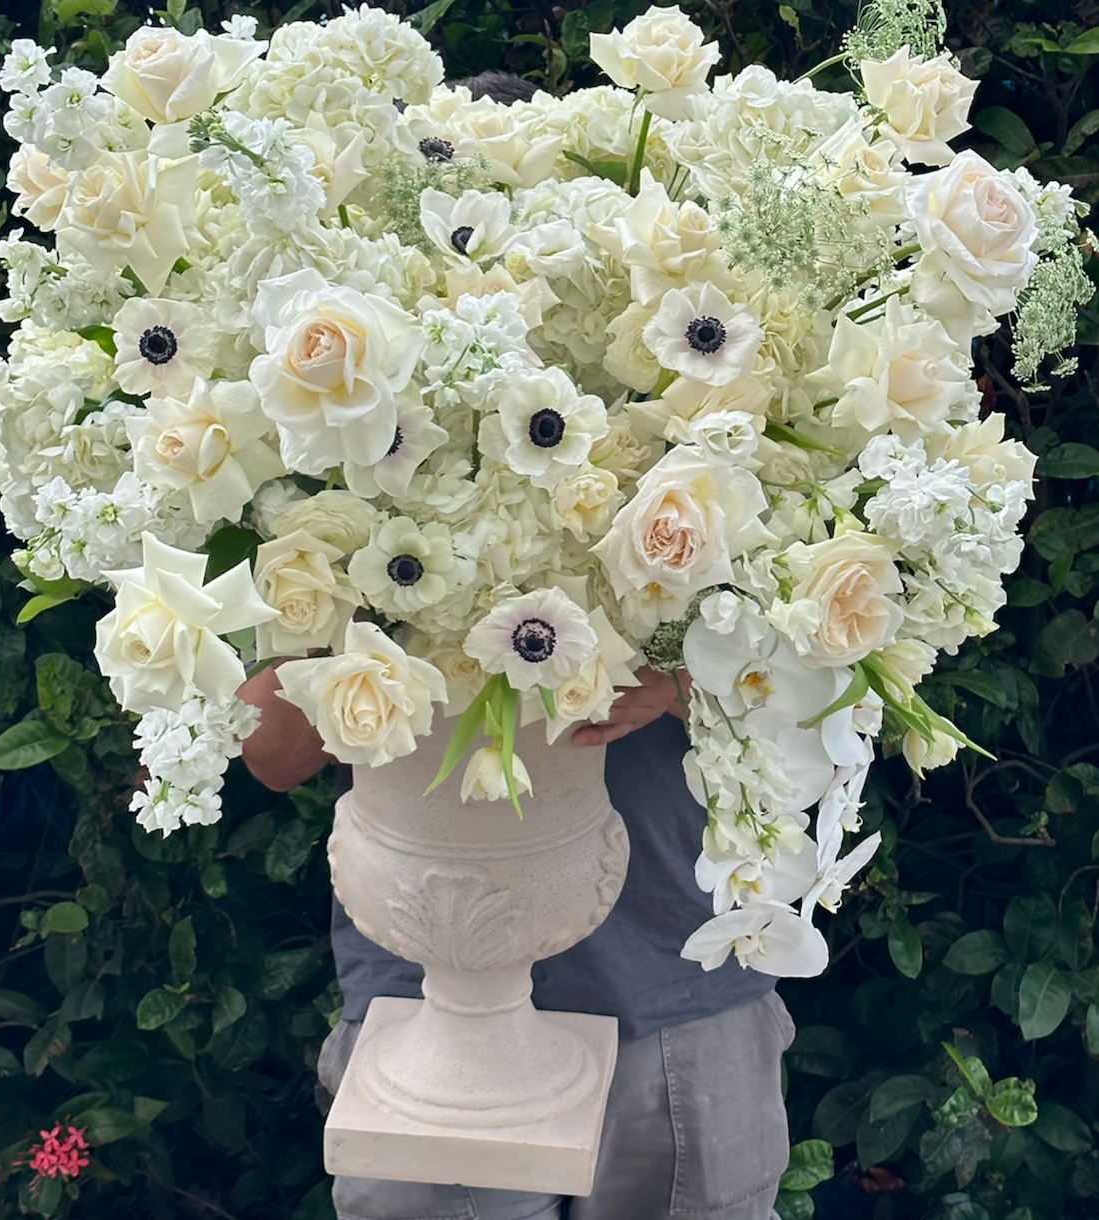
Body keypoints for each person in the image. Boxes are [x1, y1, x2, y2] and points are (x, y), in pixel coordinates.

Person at [238, 68, 793, 1220]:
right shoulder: (324, 471)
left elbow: (816, 691)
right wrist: (366, 640)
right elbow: (274, 754)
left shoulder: (699, 433)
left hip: (678, 992)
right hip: (427, 1009)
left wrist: (674, 672)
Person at [239, 664, 794, 1220]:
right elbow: (275, 755)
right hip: (430, 998)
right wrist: (335, 610)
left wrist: (690, 675)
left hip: (676, 963)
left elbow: (816, 697)